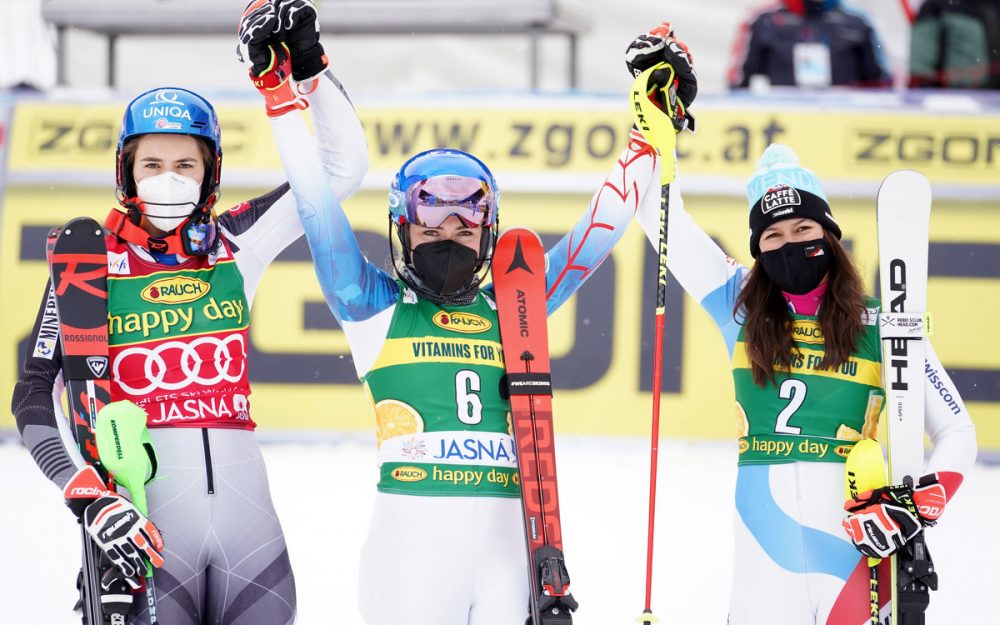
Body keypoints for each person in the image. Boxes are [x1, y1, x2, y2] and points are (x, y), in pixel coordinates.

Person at [246, 27, 669, 625]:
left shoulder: (516, 306)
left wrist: (648, 129)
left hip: (509, 557)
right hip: (410, 558)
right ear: (403, 231)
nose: (448, 239)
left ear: (488, 234)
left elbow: (595, 232)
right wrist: (282, 97)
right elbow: (316, 201)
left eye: (465, 230)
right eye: (431, 230)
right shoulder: (370, 305)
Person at [11, 2, 367, 623]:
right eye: (152, 164)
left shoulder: (236, 241)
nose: (167, 178)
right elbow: (35, 394)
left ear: (210, 174)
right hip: (144, 529)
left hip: (248, 524)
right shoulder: (87, 260)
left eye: (185, 165)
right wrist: (89, 498)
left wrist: (307, 71)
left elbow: (342, 171)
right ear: (127, 169)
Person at [629, 23, 976, 624]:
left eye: (805, 231)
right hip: (763, 547)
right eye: (775, 237)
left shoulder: (882, 321)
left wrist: (922, 502)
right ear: (759, 249)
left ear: (830, 236)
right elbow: (655, 213)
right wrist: (656, 126)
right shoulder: (737, 300)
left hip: (856, 544)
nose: (791, 244)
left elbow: (958, 432)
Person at [728, 0, 892, 89]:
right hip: (785, 122)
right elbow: (737, 81)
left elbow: (882, 84)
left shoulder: (859, 22)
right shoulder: (763, 20)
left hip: (841, 123)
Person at [909, 0, 1000, 89]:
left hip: (994, 97)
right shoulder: (937, 6)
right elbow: (920, 64)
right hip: (954, 96)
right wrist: (924, 89)